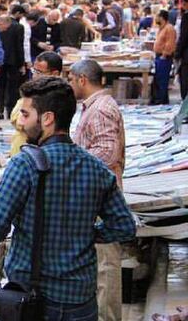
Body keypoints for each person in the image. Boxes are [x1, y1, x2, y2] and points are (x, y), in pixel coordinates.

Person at [0, 76, 137, 321]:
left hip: (33, 299)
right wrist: (86, 233)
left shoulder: (24, 165)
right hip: (80, 300)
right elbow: (124, 227)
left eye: (26, 114)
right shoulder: (96, 169)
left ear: (47, 119)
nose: (19, 121)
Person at [69, 59, 126, 321]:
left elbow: (107, 151)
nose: (70, 84)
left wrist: (73, 164)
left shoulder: (101, 108)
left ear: (82, 79)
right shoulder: (93, 107)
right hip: (94, 195)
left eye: (71, 79)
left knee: (106, 266)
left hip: (101, 196)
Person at [9, 52, 63, 156]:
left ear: (55, 74)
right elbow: (15, 118)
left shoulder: (60, 96)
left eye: (40, 72)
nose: (35, 75)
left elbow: (21, 122)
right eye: (34, 71)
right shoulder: (33, 92)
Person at [0, 15, 25, 120]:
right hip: (13, 60)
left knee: (1, 85)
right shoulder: (19, 27)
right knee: (12, 87)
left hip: (0, 59)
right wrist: (22, 63)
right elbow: (19, 45)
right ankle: (10, 110)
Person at [153, 9, 176, 104]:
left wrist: (164, 54)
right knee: (158, 79)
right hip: (159, 57)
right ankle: (161, 99)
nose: (155, 18)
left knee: (163, 80)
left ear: (162, 18)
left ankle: (162, 101)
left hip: (164, 58)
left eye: (157, 16)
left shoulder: (169, 28)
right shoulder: (161, 28)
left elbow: (170, 43)